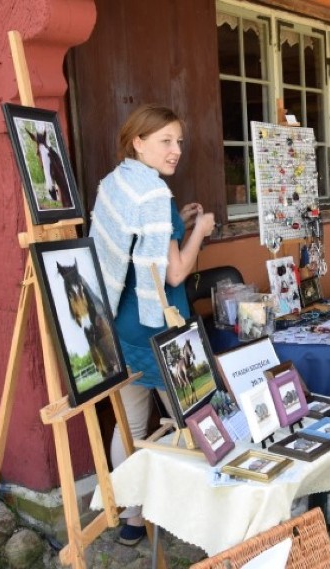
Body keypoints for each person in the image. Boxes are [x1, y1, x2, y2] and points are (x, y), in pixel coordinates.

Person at [89, 104, 216, 545]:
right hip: (163, 328)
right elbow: (175, 273)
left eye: (179, 141)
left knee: (130, 425)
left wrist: (174, 226)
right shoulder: (156, 196)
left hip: (122, 325)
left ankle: (132, 518)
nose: (176, 150)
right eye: (166, 140)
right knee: (194, 420)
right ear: (137, 141)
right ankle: (197, 513)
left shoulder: (115, 185)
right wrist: (200, 229)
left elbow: (133, 248)